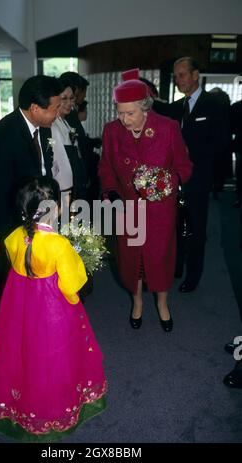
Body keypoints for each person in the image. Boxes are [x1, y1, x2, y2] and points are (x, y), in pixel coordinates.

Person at [0, 176, 107, 441]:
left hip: (20, 307)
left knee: (22, 351)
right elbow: (73, 285)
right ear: (56, 208)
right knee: (55, 356)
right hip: (53, 311)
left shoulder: (13, 237)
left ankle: (21, 407)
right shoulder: (58, 244)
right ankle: (55, 411)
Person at [0, 75, 62, 398]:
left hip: (30, 224)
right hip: (7, 232)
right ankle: (3, 367)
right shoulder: (4, 135)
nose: (58, 113)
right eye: (54, 108)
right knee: (2, 296)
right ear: (34, 107)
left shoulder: (38, 128)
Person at [98, 68, 192, 331]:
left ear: (145, 108)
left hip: (160, 209)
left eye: (130, 113)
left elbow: (185, 167)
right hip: (128, 209)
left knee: (160, 259)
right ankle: (137, 302)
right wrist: (111, 192)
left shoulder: (168, 128)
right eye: (120, 112)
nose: (124, 119)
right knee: (131, 260)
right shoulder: (112, 131)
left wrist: (165, 183)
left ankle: (163, 303)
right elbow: (105, 168)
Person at [169, 57, 228, 292]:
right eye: (175, 76)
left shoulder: (214, 104)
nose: (178, 80)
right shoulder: (180, 105)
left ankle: (193, 276)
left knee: (195, 228)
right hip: (177, 178)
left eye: (182, 75)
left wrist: (189, 150)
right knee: (177, 224)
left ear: (195, 75)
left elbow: (222, 143)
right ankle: (176, 267)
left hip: (199, 179)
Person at [51, 77, 87, 202]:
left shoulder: (66, 121)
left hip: (76, 183)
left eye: (71, 98)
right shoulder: (52, 124)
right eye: (64, 98)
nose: (69, 103)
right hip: (64, 188)